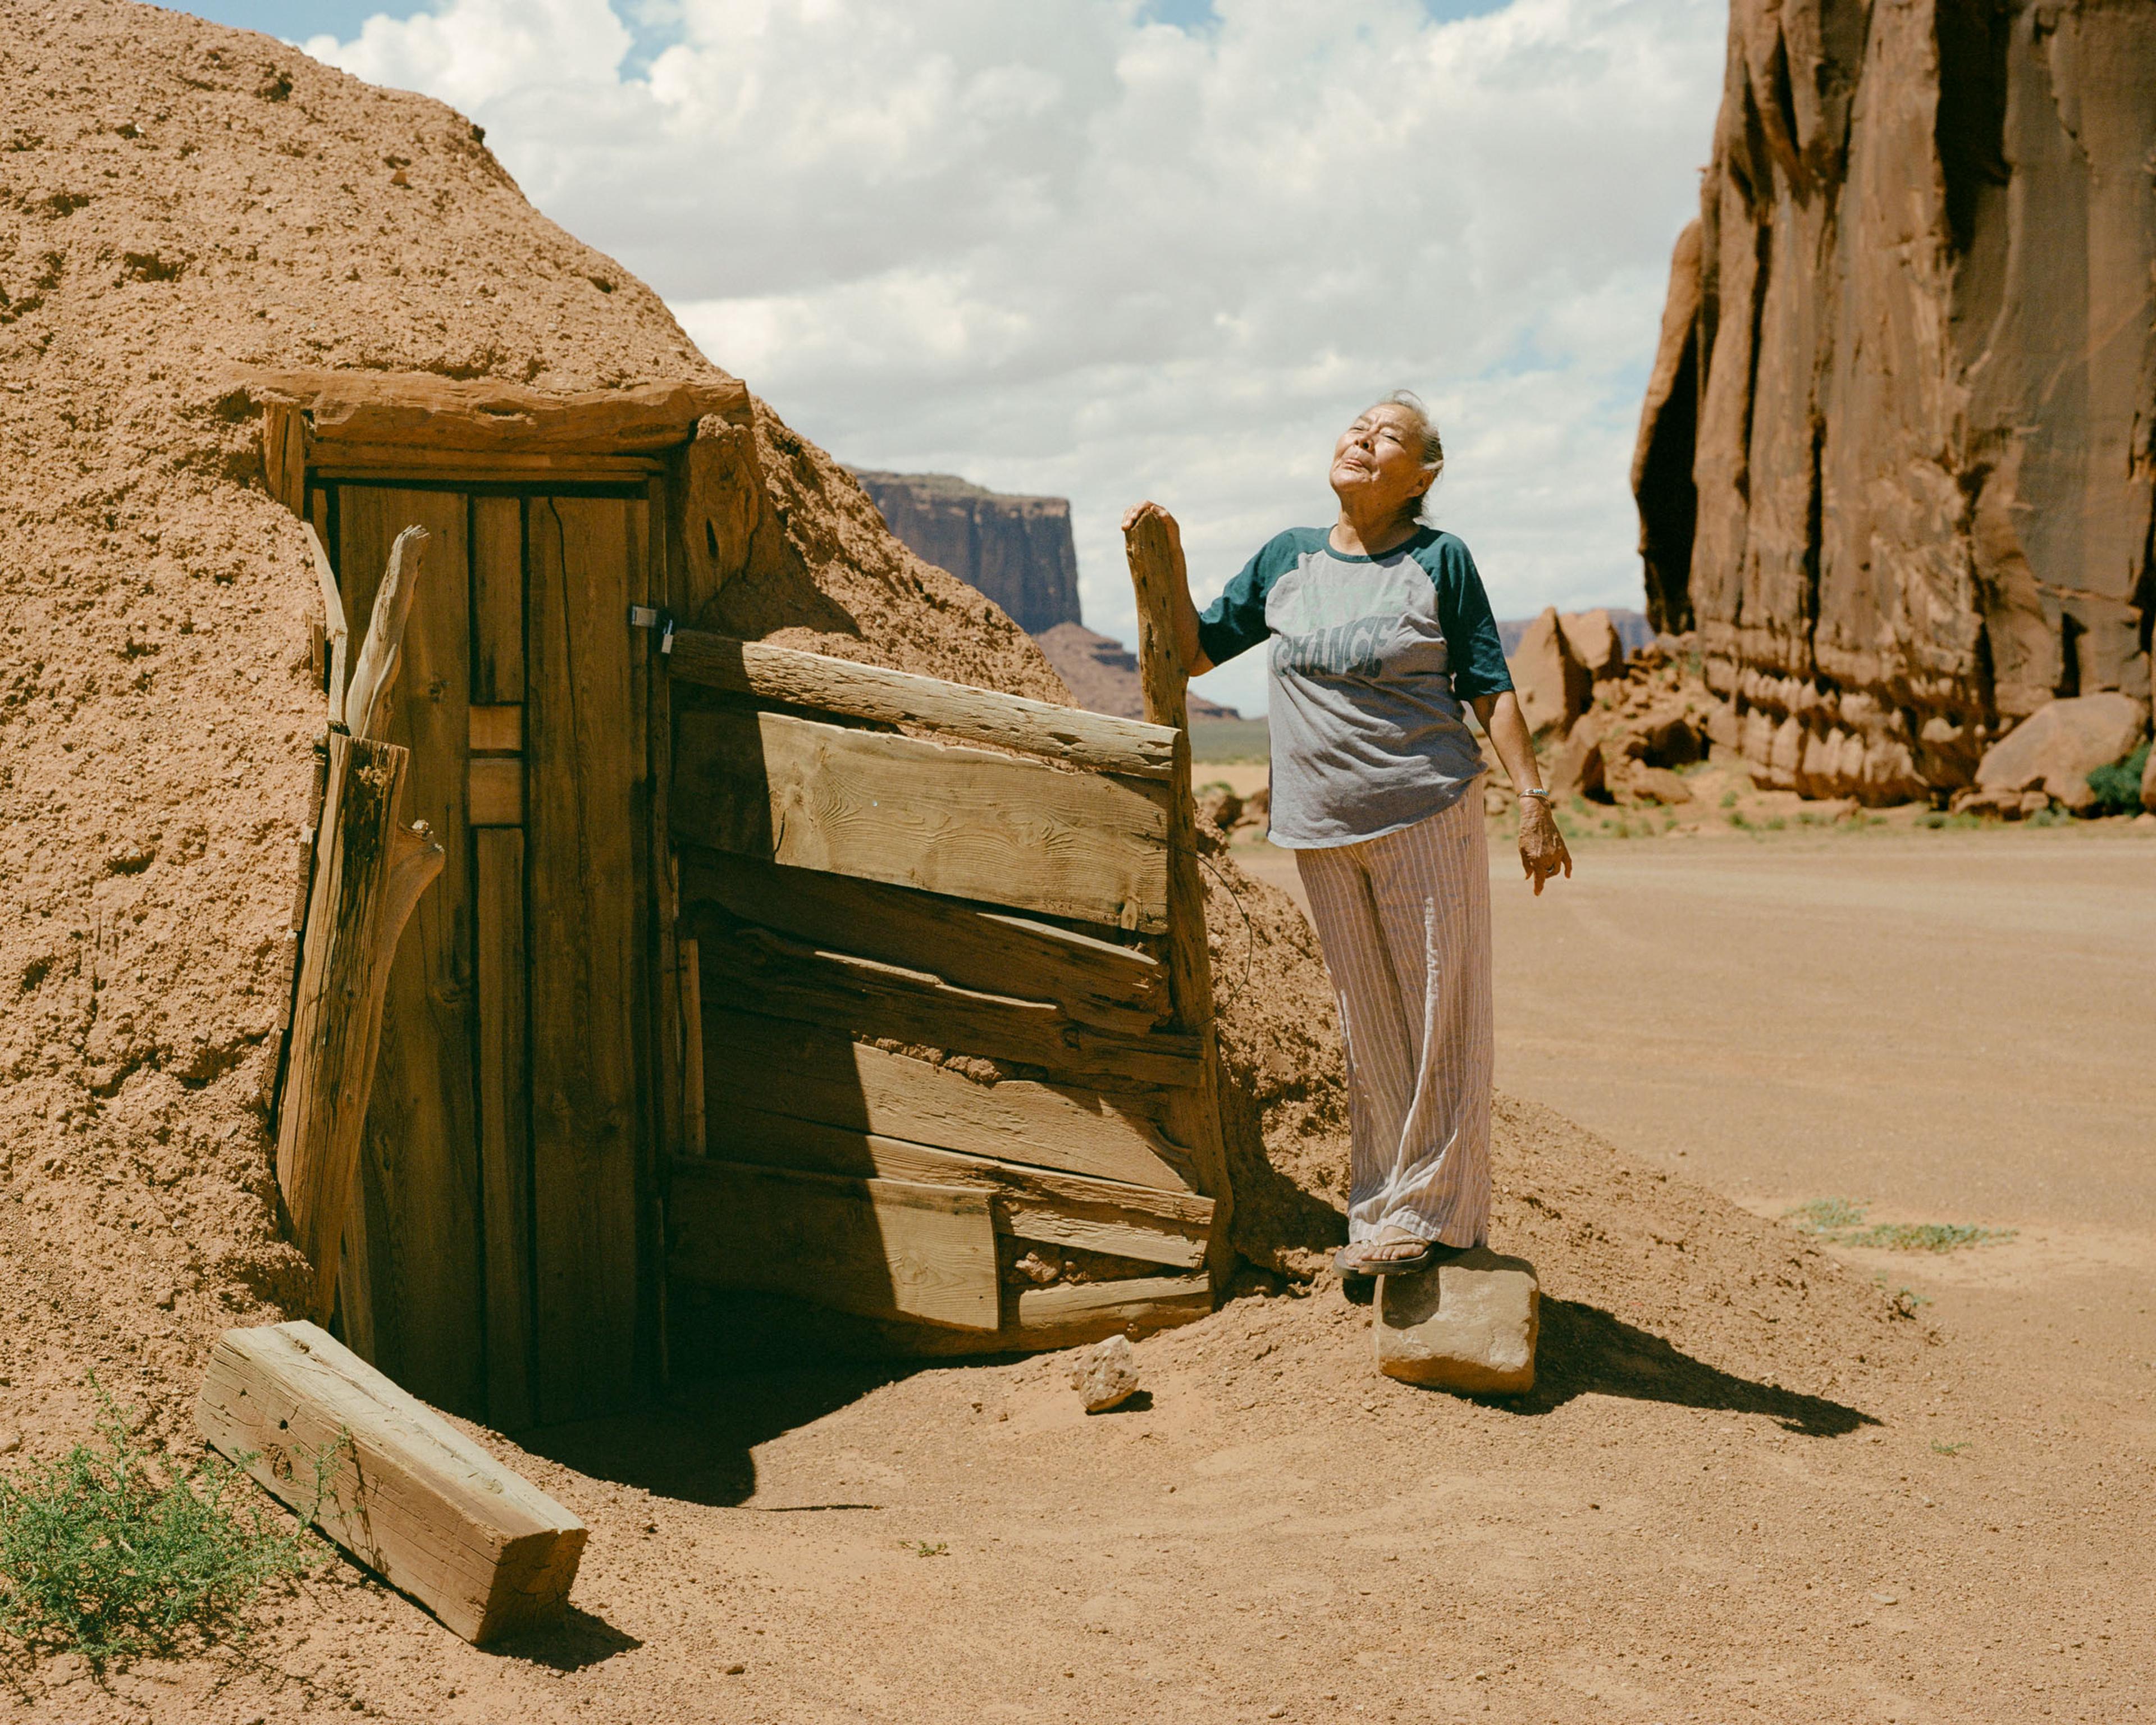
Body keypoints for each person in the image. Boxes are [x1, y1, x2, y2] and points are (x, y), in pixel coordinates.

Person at [1123, 391, 1570, 1279]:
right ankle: (1379, 1217)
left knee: (1443, 1012)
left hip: (1425, 807)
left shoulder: (1439, 560)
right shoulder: (1286, 558)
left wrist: (1531, 797)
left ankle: (1438, 1215)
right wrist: (1165, 558)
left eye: (1389, 436)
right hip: (1321, 828)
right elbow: (1199, 648)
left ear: (1422, 477)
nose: (1365, 440)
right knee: (1368, 1025)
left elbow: (1489, 682)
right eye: (1358, 428)